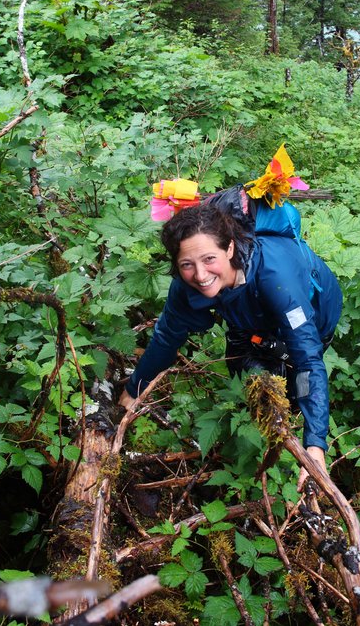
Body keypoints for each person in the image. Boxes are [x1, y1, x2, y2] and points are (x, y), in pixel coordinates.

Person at [119, 203, 342, 491]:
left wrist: (315, 446)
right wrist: (135, 388)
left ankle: (294, 423)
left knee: (294, 384)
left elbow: (308, 361)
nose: (200, 274)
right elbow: (167, 337)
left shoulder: (277, 280)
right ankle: (250, 427)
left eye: (209, 258)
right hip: (247, 315)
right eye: (187, 264)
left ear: (230, 248)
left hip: (310, 313)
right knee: (243, 369)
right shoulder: (187, 285)